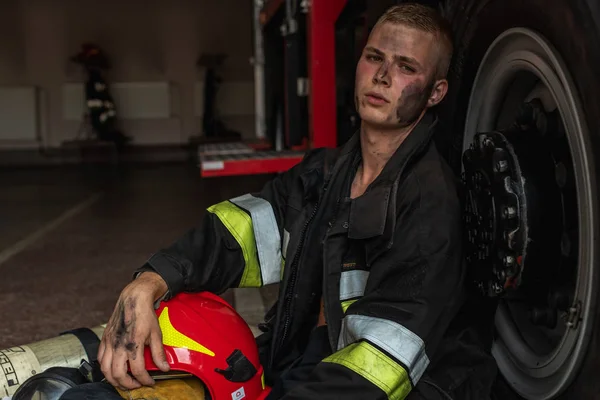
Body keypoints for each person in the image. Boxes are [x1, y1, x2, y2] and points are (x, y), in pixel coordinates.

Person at [61, 3, 498, 400]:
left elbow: (377, 373)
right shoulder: (324, 174)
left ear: (436, 92)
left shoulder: (429, 206)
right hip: (304, 363)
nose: (382, 76)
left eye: (405, 67)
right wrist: (147, 282)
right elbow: (233, 235)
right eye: (375, 57)